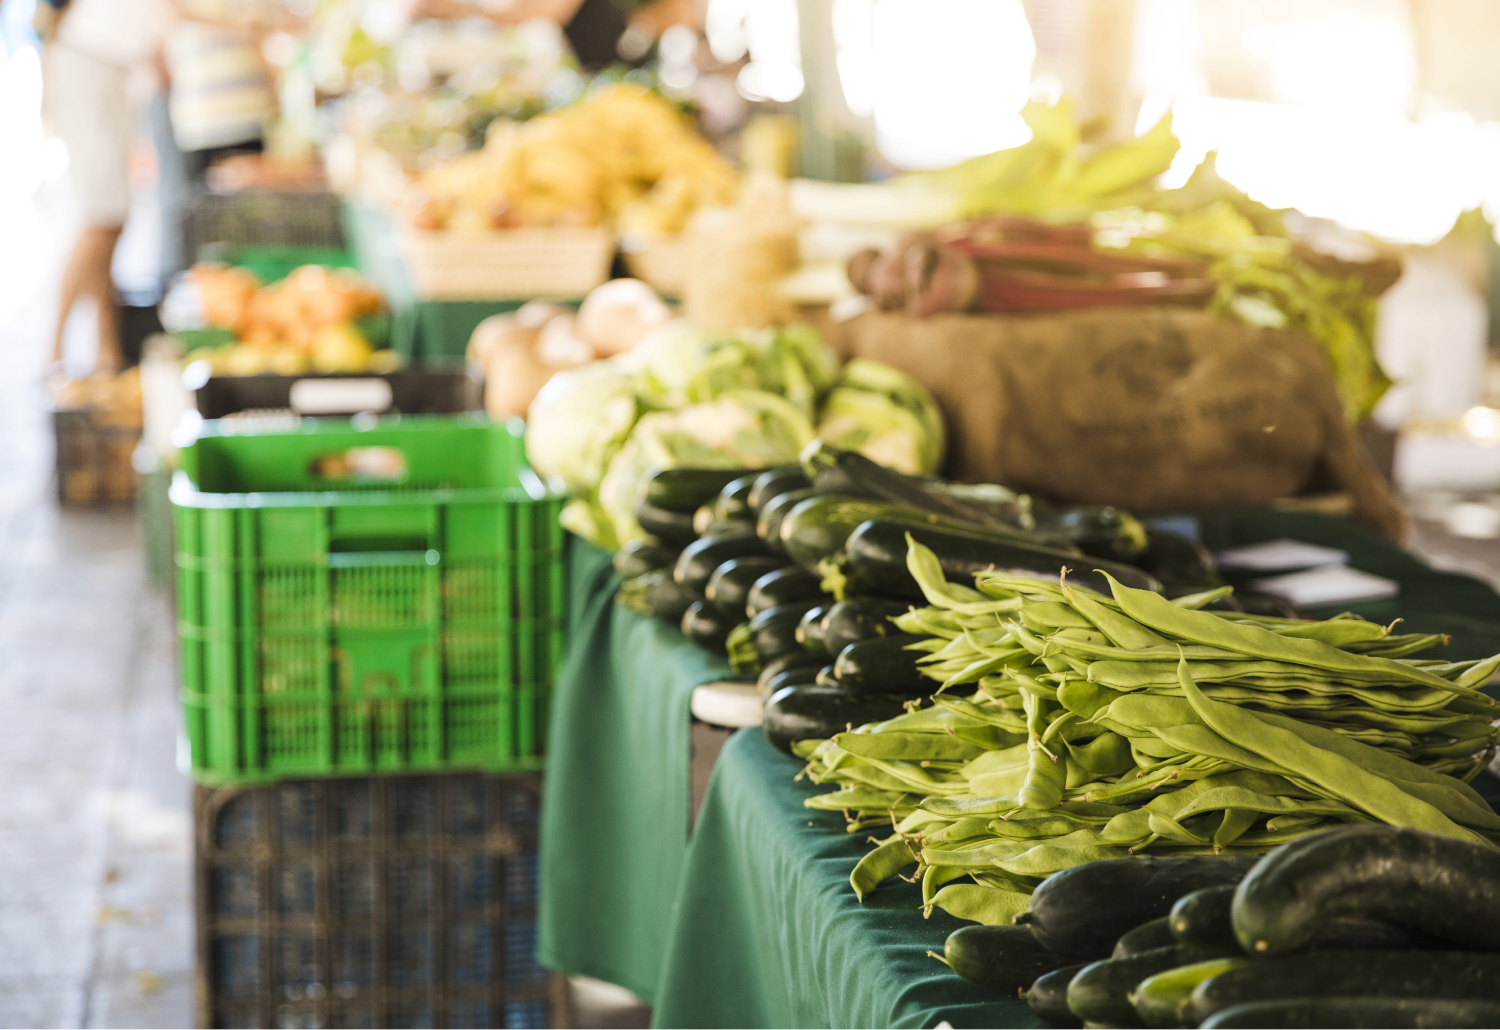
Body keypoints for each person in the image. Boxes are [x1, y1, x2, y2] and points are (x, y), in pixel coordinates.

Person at [28, 0, 167, 374]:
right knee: (102, 214)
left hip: (113, 64)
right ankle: (52, 354)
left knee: (112, 217)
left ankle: (106, 348)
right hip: (89, 57)